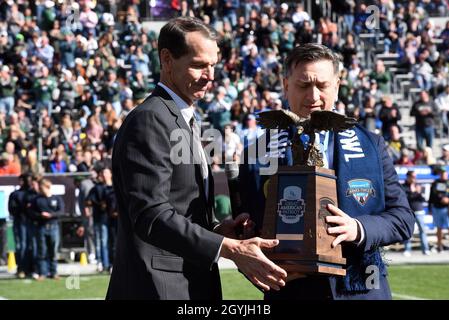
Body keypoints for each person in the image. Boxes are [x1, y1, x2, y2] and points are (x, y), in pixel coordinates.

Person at [106, 17, 286, 300]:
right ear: (167, 60)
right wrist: (228, 248)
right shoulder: (151, 119)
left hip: (189, 282)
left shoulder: (184, 118)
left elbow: (177, 208)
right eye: (200, 65)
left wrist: (216, 230)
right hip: (159, 287)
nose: (210, 75)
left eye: (213, 65)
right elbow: (151, 215)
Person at [238, 43, 415, 300]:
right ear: (286, 86)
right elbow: (244, 231)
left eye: (321, 85)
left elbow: (402, 218)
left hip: (362, 289)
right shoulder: (257, 153)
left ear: (337, 85)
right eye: (303, 85)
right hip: (290, 290)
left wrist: (357, 228)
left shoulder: (371, 145)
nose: (313, 96)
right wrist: (255, 265)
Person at [29, 178, 65, 280]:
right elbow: (31, 213)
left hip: (53, 227)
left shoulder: (57, 199)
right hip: (41, 228)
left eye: (42, 188)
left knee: (53, 251)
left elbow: (61, 211)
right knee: (42, 251)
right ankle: (43, 273)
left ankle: (54, 272)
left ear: (47, 187)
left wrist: (51, 215)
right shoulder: (37, 200)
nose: (40, 190)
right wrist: (40, 215)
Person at [8, 173, 33, 278]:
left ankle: (31, 268)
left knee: (32, 245)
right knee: (21, 246)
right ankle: (21, 268)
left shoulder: (33, 194)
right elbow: (12, 209)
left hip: (32, 222)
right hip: (20, 222)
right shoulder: (15, 194)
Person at [401, 171, 430, 256]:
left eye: (415, 177)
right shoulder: (403, 187)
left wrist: (417, 192)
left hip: (419, 211)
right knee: (408, 231)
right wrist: (414, 192)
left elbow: (422, 199)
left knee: (423, 231)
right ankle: (407, 249)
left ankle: (425, 249)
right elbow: (406, 198)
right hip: (408, 212)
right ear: (408, 177)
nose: (414, 178)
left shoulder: (418, 186)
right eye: (413, 176)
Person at [428, 166, 449, 253]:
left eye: (444, 172)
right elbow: (432, 196)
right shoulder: (436, 183)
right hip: (437, 208)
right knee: (439, 228)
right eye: (441, 173)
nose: (443, 174)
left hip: (447, 209)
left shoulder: (448, 183)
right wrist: (430, 208)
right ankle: (439, 246)